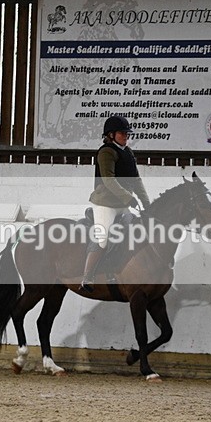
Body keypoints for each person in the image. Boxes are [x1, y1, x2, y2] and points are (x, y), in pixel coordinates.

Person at [80, 115, 150, 292]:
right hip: (106, 204)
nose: (126, 136)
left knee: (131, 234)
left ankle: (115, 271)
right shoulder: (106, 152)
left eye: (127, 133)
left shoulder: (128, 152)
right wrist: (129, 198)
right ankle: (87, 277)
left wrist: (146, 202)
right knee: (103, 238)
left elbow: (136, 179)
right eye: (122, 133)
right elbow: (109, 180)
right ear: (111, 135)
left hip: (122, 204)